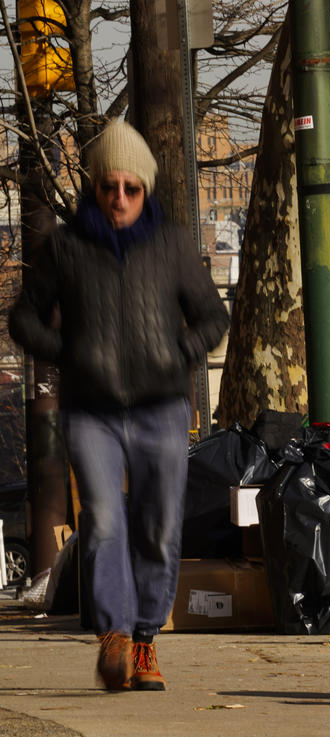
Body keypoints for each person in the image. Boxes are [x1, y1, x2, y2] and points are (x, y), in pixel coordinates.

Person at [9, 119, 230, 691]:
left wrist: (178, 349)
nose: (120, 199)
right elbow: (23, 317)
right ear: (95, 187)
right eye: (110, 186)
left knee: (158, 527)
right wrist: (65, 352)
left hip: (162, 408)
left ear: (146, 189)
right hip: (92, 411)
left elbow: (213, 317)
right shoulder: (65, 247)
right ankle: (113, 636)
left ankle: (145, 639)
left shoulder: (174, 244)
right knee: (105, 521)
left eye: (132, 188)